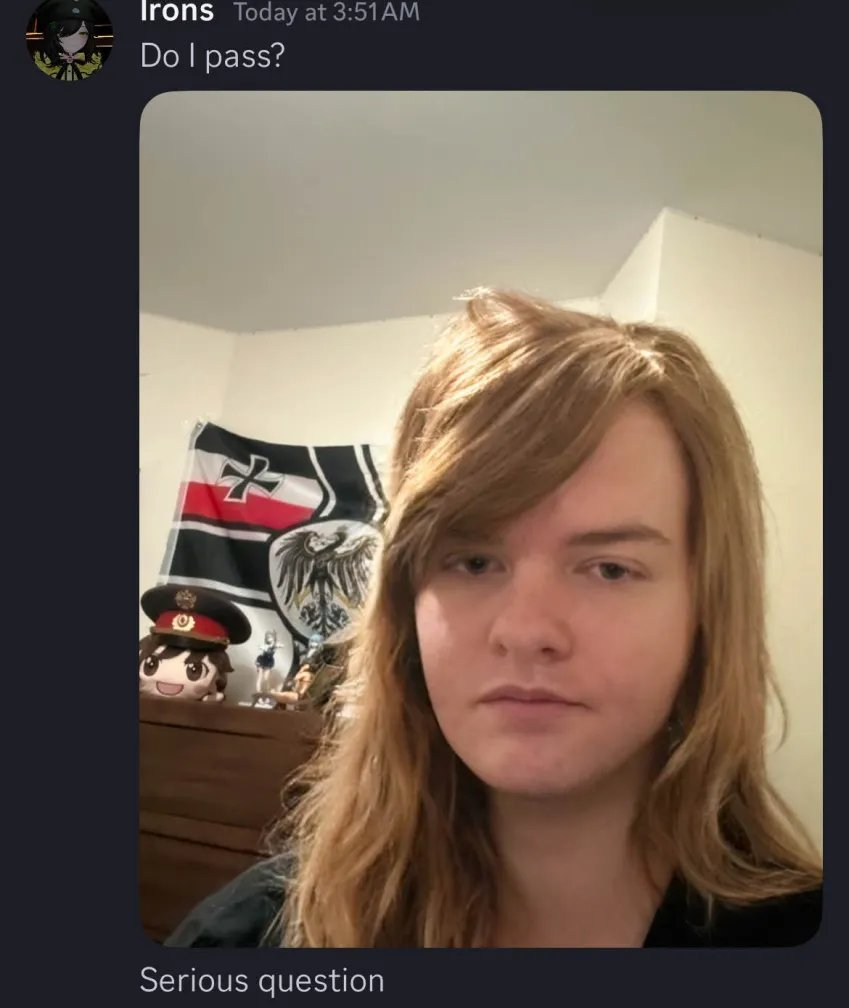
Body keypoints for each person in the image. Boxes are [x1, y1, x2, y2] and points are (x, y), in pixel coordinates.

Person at [165, 288, 822, 948]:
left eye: (609, 569)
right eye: (474, 562)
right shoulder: (244, 940)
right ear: (405, 605)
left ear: (705, 609)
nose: (525, 632)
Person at [30, 1, 107, 81]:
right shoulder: (42, 61)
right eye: (65, 34)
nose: (75, 40)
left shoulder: (94, 61)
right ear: (53, 34)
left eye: (83, 33)